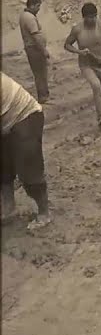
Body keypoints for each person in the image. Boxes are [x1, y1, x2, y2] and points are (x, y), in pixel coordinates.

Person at [1, 72, 51, 230]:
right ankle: (9, 209)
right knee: (3, 167)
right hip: (5, 120)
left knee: (28, 169)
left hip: (25, 116)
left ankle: (44, 213)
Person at [65, 3, 101, 131]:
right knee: (96, 86)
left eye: (94, 16)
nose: (93, 19)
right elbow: (67, 45)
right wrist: (79, 52)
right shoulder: (77, 30)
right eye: (90, 17)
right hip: (86, 65)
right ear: (84, 17)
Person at [19, 0, 51, 104]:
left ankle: (43, 95)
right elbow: (36, 36)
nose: (38, 9)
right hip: (35, 49)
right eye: (37, 6)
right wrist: (44, 50)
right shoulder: (29, 18)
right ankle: (43, 97)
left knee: (39, 73)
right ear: (32, 5)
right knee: (41, 73)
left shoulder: (24, 16)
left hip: (32, 49)